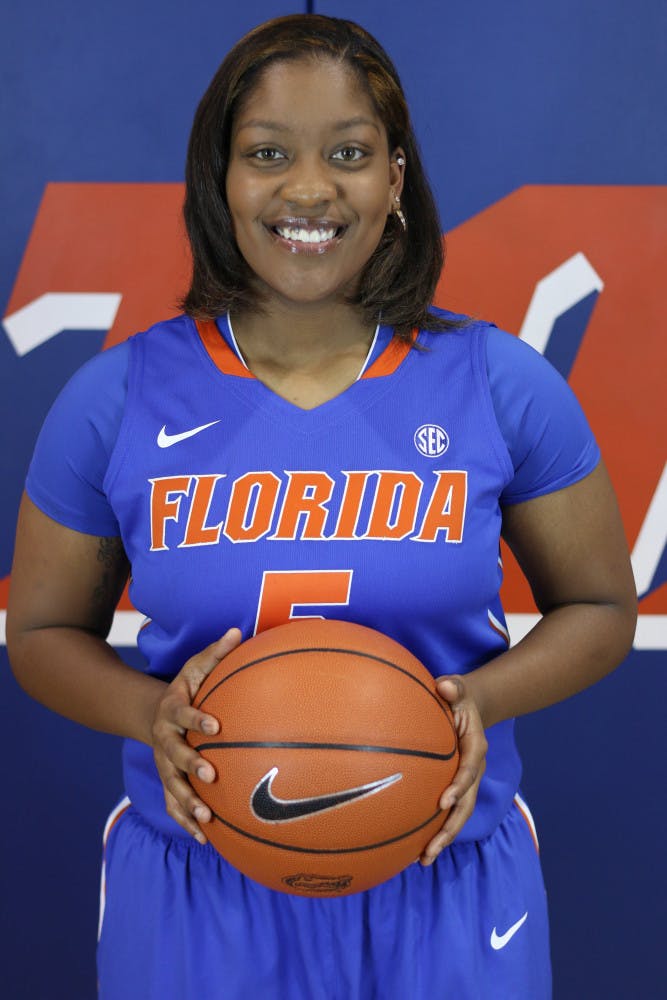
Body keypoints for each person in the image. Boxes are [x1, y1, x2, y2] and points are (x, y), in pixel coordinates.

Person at [6, 14, 637, 1000]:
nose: (307, 188)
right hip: (200, 876)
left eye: (348, 152)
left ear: (395, 179)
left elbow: (601, 608)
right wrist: (149, 710)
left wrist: (476, 701)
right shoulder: (117, 397)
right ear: (220, 178)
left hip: (442, 871)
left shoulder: (497, 383)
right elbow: (41, 630)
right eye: (267, 154)